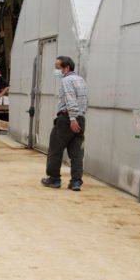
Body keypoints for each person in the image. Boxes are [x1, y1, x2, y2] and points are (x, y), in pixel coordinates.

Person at [41, 55, 87, 191]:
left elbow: (70, 99)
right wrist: (78, 118)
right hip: (80, 118)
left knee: (55, 149)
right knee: (76, 153)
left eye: (58, 68)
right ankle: (76, 182)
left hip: (67, 119)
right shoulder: (81, 80)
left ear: (66, 68)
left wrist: (72, 118)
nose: (56, 71)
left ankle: (54, 179)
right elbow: (84, 101)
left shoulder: (67, 81)